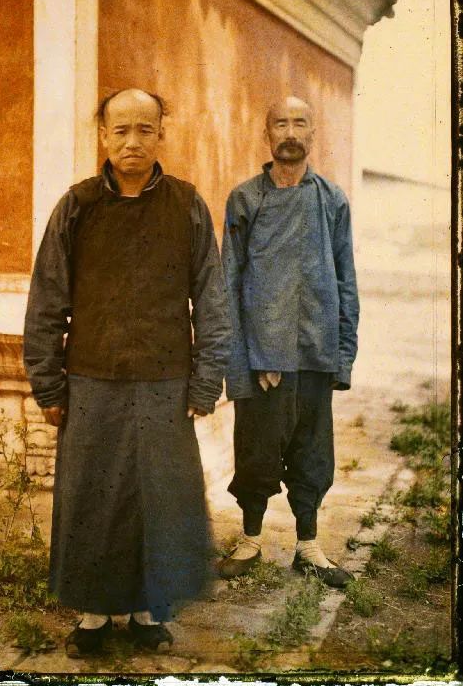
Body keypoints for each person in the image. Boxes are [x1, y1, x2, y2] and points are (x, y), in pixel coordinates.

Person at [23, 88, 231, 655]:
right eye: (120, 130)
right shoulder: (77, 206)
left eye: (144, 129)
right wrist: (47, 382)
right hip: (91, 380)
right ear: (103, 136)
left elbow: (212, 299)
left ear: (161, 134)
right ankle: (92, 616)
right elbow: (46, 300)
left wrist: (206, 379)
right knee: (93, 498)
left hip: (166, 381)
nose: (132, 141)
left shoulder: (186, 205)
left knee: (159, 500)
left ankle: (147, 612)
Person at [219, 95, 359, 588]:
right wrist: (246, 360)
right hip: (262, 358)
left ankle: (308, 545)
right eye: (281, 123)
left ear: (313, 134)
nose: (291, 133)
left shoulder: (332, 201)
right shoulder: (245, 200)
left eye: (300, 123)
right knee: (256, 450)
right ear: (267, 134)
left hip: (316, 350)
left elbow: (345, 280)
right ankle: (250, 539)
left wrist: (343, 355)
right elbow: (230, 282)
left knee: (313, 451)